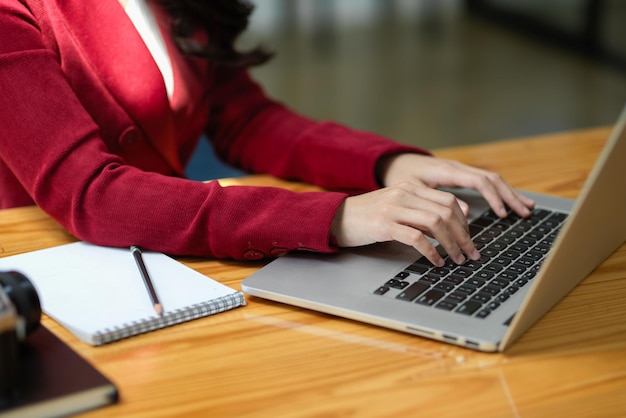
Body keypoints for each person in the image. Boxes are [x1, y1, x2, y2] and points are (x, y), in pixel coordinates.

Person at [0, 0, 534, 267]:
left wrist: (383, 164)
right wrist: (334, 216)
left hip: (166, 251)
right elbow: (93, 195)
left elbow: (244, 118)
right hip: (45, 266)